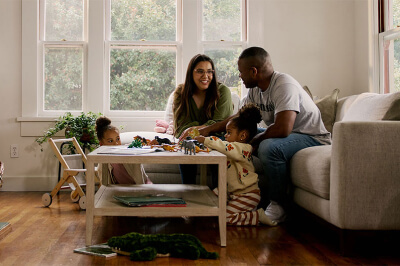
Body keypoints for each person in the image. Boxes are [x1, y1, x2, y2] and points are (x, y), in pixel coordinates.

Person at [198, 47, 331, 225]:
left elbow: (283, 129)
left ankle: (279, 205)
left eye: (241, 72)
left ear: (254, 71)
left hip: (310, 137)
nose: (240, 76)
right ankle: (227, 195)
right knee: (231, 137)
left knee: (269, 147)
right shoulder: (255, 89)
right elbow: (239, 118)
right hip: (288, 135)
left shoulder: (284, 85)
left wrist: (253, 142)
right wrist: (210, 129)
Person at [195, 103, 277, 226]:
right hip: (232, 191)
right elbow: (222, 149)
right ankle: (197, 211)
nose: (225, 136)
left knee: (225, 218)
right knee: (210, 197)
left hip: (247, 194)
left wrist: (206, 140)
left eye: (229, 132)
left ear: (242, 135)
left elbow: (225, 146)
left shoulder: (243, 149)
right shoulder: (233, 148)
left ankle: (256, 216)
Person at [172, 54, 233, 184]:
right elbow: (181, 128)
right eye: (200, 71)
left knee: (215, 143)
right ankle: (188, 191)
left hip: (218, 137)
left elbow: (221, 125)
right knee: (186, 142)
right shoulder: (180, 92)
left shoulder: (223, 91)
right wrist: (201, 129)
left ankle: (219, 193)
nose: (205, 76)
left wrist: (194, 128)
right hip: (192, 139)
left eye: (209, 72)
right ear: (191, 73)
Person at [95, 116, 152, 185]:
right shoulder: (102, 163)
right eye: (110, 141)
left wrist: (148, 143)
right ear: (102, 144)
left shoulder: (127, 149)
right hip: (124, 191)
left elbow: (138, 145)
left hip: (143, 186)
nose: (116, 143)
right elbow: (105, 185)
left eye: (118, 139)